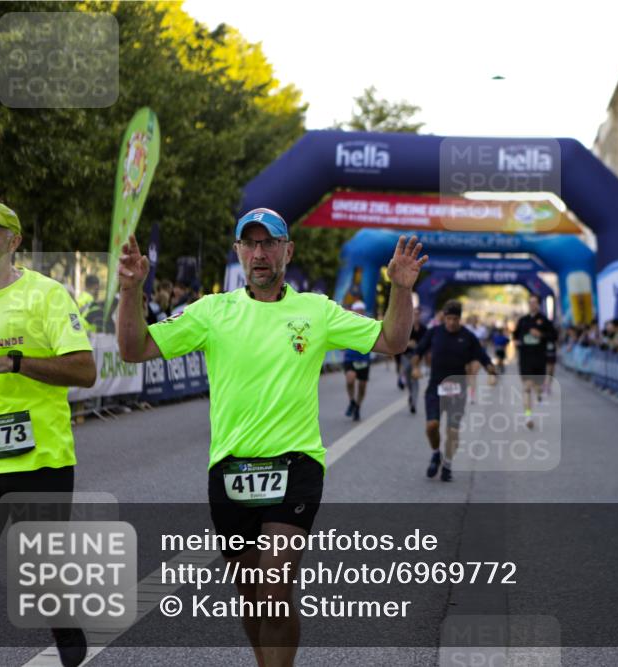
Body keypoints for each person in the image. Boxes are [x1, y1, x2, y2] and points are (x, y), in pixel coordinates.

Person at [116, 208, 425, 667]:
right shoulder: (211, 312)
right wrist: (130, 289)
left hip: (295, 466)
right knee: (252, 595)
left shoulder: (315, 311)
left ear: (287, 250)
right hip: (231, 470)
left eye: (270, 243)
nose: (260, 254)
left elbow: (392, 341)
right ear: (239, 250)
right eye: (251, 244)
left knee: (276, 588)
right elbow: (133, 348)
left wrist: (401, 290)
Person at [0, 201, 97, 667]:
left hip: (41, 460)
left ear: (13, 241)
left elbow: (85, 371)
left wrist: (13, 361)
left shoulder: (47, 295)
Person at [411, 301, 498, 482]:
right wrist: (415, 368)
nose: (451, 323)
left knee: (452, 431)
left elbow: (482, 355)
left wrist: (491, 369)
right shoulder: (434, 333)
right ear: (443, 317)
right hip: (435, 388)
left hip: (458, 390)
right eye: (448, 318)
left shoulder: (467, 336)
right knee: (431, 426)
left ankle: (448, 464)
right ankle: (436, 453)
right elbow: (418, 352)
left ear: (460, 318)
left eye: (455, 319)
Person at [513, 295, 554, 428]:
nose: (532, 305)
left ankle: (540, 392)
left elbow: (554, 336)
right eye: (530, 302)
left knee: (537, 385)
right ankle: (528, 416)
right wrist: (516, 342)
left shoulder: (544, 320)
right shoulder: (523, 320)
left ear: (539, 304)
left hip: (539, 358)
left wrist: (541, 335)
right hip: (525, 359)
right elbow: (515, 335)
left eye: (534, 302)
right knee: (527, 387)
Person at [342, 301, 372, 422]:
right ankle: (351, 401)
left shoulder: (368, 324)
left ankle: (358, 406)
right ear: (353, 311)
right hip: (350, 358)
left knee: (362, 386)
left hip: (364, 359)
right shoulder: (347, 324)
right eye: (357, 310)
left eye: (361, 310)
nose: (359, 312)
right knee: (350, 379)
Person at [400, 307, 427, 414]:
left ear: (420, 315)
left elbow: (427, 344)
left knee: (415, 380)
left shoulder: (424, 329)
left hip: (417, 359)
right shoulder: (406, 328)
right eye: (414, 314)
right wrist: (407, 344)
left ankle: (414, 404)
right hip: (406, 357)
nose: (416, 316)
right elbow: (399, 343)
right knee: (408, 379)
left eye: (418, 314)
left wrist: (419, 346)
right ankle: (411, 395)